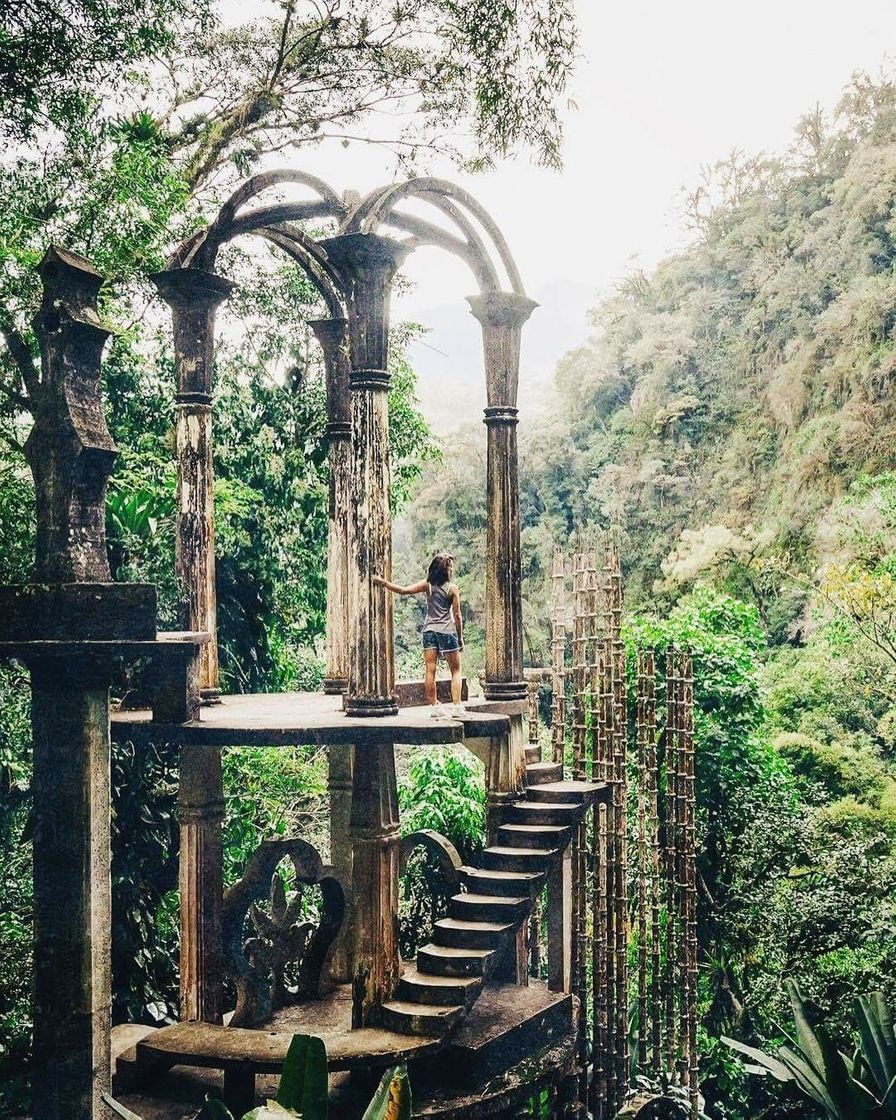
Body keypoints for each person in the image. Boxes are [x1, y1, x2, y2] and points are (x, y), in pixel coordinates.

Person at [373, 553, 464, 717]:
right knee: (456, 670)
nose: (452, 569)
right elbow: (457, 616)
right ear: (446, 570)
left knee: (430, 669)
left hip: (429, 631)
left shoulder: (427, 585)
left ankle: (434, 707)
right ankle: (457, 707)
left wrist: (383, 583)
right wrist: (460, 638)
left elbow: (403, 590)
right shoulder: (452, 589)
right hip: (447, 631)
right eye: (450, 567)